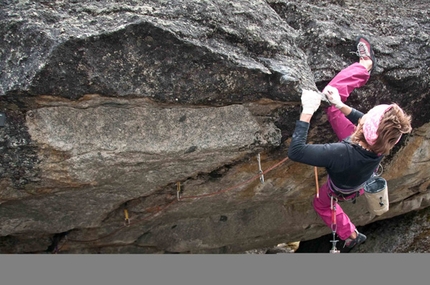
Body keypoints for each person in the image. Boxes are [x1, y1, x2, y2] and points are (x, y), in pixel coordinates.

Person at [288, 36, 412, 250]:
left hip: (340, 181)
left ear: (364, 127)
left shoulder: (338, 152)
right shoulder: (386, 142)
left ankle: (363, 67)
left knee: (321, 202)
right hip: (357, 184)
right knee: (332, 104)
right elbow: (367, 123)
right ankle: (351, 234)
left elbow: (296, 151)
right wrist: (339, 104)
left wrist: (307, 112)